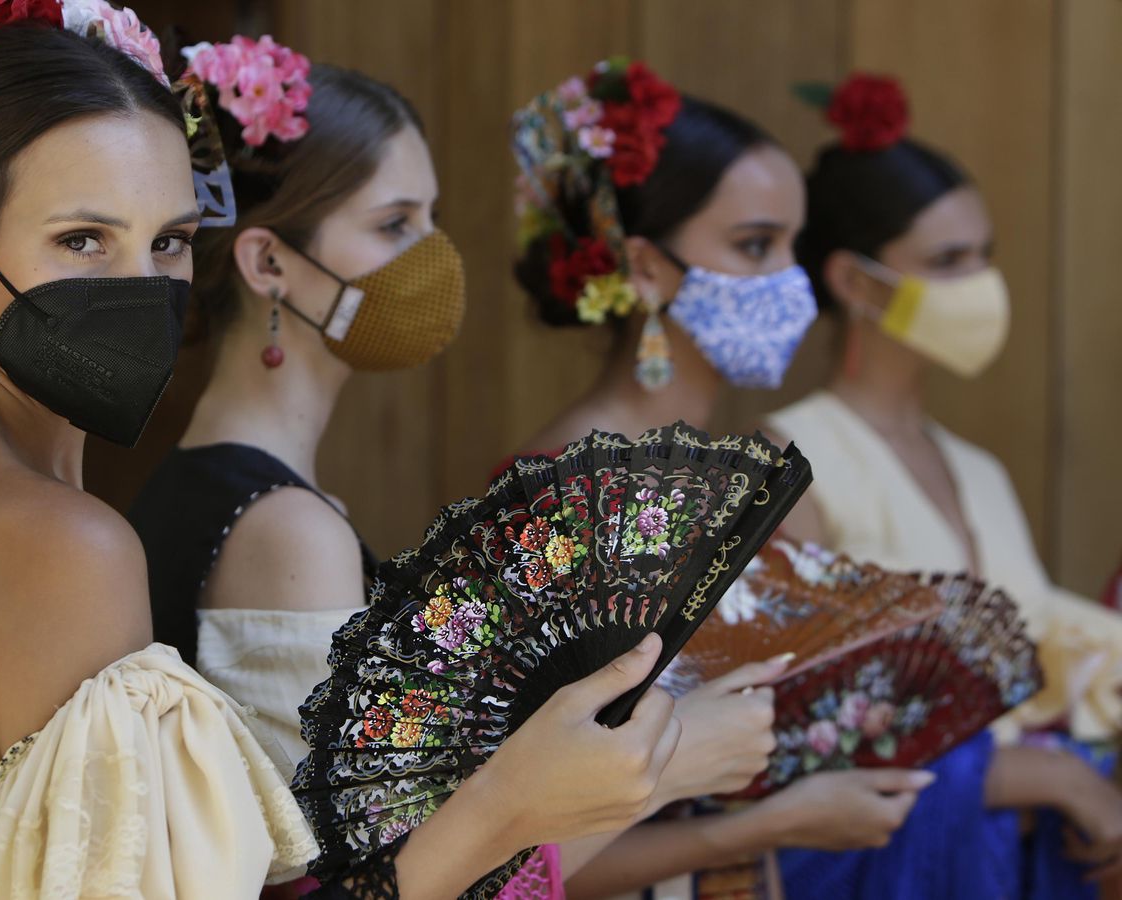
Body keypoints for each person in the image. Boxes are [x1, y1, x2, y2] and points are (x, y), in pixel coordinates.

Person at [0, 9, 681, 899]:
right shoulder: (62, 547)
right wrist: (514, 806)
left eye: (168, 241)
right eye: (84, 239)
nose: (143, 286)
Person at [128, 45, 690, 899]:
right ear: (268, 263)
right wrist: (676, 766)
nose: (435, 256)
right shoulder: (286, 529)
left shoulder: (211, 491)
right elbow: (362, 884)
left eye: (431, 219)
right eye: (395, 225)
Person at [504, 61, 928, 900]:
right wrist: (768, 823)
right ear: (647, 267)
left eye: (793, 246)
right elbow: (513, 844)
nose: (789, 282)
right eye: (754, 245)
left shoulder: (724, 468)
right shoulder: (572, 492)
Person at [767, 72, 1122, 898]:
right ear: (855, 282)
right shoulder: (791, 459)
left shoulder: (979, 469)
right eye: (947, 261)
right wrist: (1051, 778)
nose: (980, 284)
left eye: (984, 255)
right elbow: (793, 728)